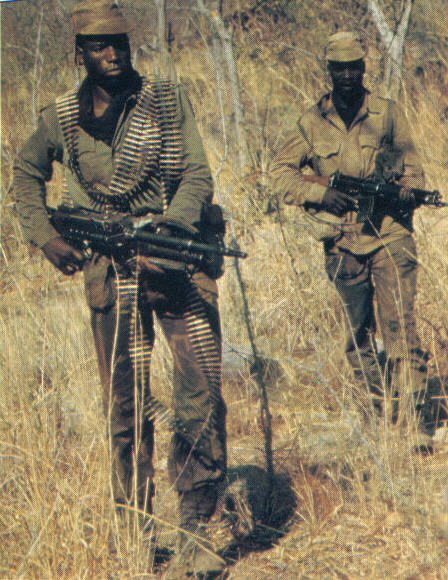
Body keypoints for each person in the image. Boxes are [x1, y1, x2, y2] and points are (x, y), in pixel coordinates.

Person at [14, 1, 227, 576]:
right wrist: (43, 238)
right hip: (113, 275)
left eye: (121, 44)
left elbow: (196, 175)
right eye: (100, 46)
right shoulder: (60, 116)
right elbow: (26, 173)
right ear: (79, 52)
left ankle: (197, 531)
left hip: (176, 267)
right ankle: (136, 530)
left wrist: (168, 232)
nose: (114, 54)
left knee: (199, 396)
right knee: (127, 408)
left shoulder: (164, 99)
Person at [271, 31, 434, 449]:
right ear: (328, 71)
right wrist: (320, 194)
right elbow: (279, 173)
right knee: (356, 333)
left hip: (390, 235)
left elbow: (414, 167)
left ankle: (415, 419)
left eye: (354, 67)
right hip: (342, 241)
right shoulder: (310, 123)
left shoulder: (388, 114)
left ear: (364, 68)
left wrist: (406, 190)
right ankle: (373, 413)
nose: (347, 76)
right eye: (339, 68)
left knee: (401, 325)